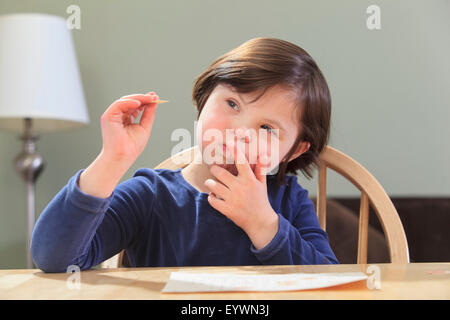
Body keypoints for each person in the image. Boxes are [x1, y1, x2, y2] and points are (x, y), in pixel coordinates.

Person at [31, 37, 338, 273]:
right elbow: (55, 259)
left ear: (293, 150)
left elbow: (328, 280)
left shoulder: (289, 201)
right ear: (204, 100)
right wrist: (113, 159)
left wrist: (263, 224)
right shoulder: (150, 196)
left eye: (267, 128)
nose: (239, 131)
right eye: (232, 104)